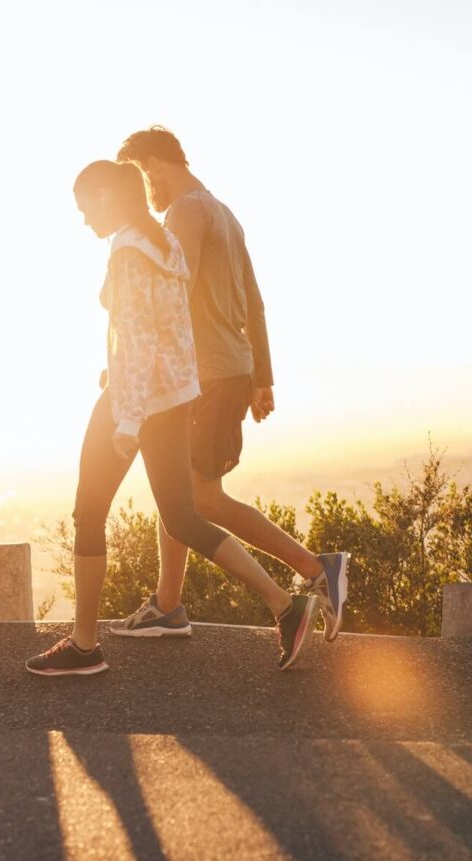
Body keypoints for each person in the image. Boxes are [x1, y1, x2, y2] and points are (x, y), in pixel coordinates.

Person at [26, 160, 321, 677]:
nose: (83, 220)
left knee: (89, 512)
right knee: (183, 516)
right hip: (174, 397)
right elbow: (176, 330)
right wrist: (177, 394)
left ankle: (85, 646)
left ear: (105, 198)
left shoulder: (127, 252)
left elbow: (138, 340)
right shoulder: (165, 244)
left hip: (132, 400)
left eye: (84, 207)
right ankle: (285, 606)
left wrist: (127, 421)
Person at [113, 127, 349, 642]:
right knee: (178, 492)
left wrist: (133, 362)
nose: (142, 189)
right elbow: (256, 303)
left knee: (201, 499)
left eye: (138, 174)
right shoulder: (224, 212)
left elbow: (172, 298)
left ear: (153, 164)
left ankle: (315, 570)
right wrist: (261, 377)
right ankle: (168, 605)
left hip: (206, 375)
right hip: (227, 371)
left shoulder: (183, 214)